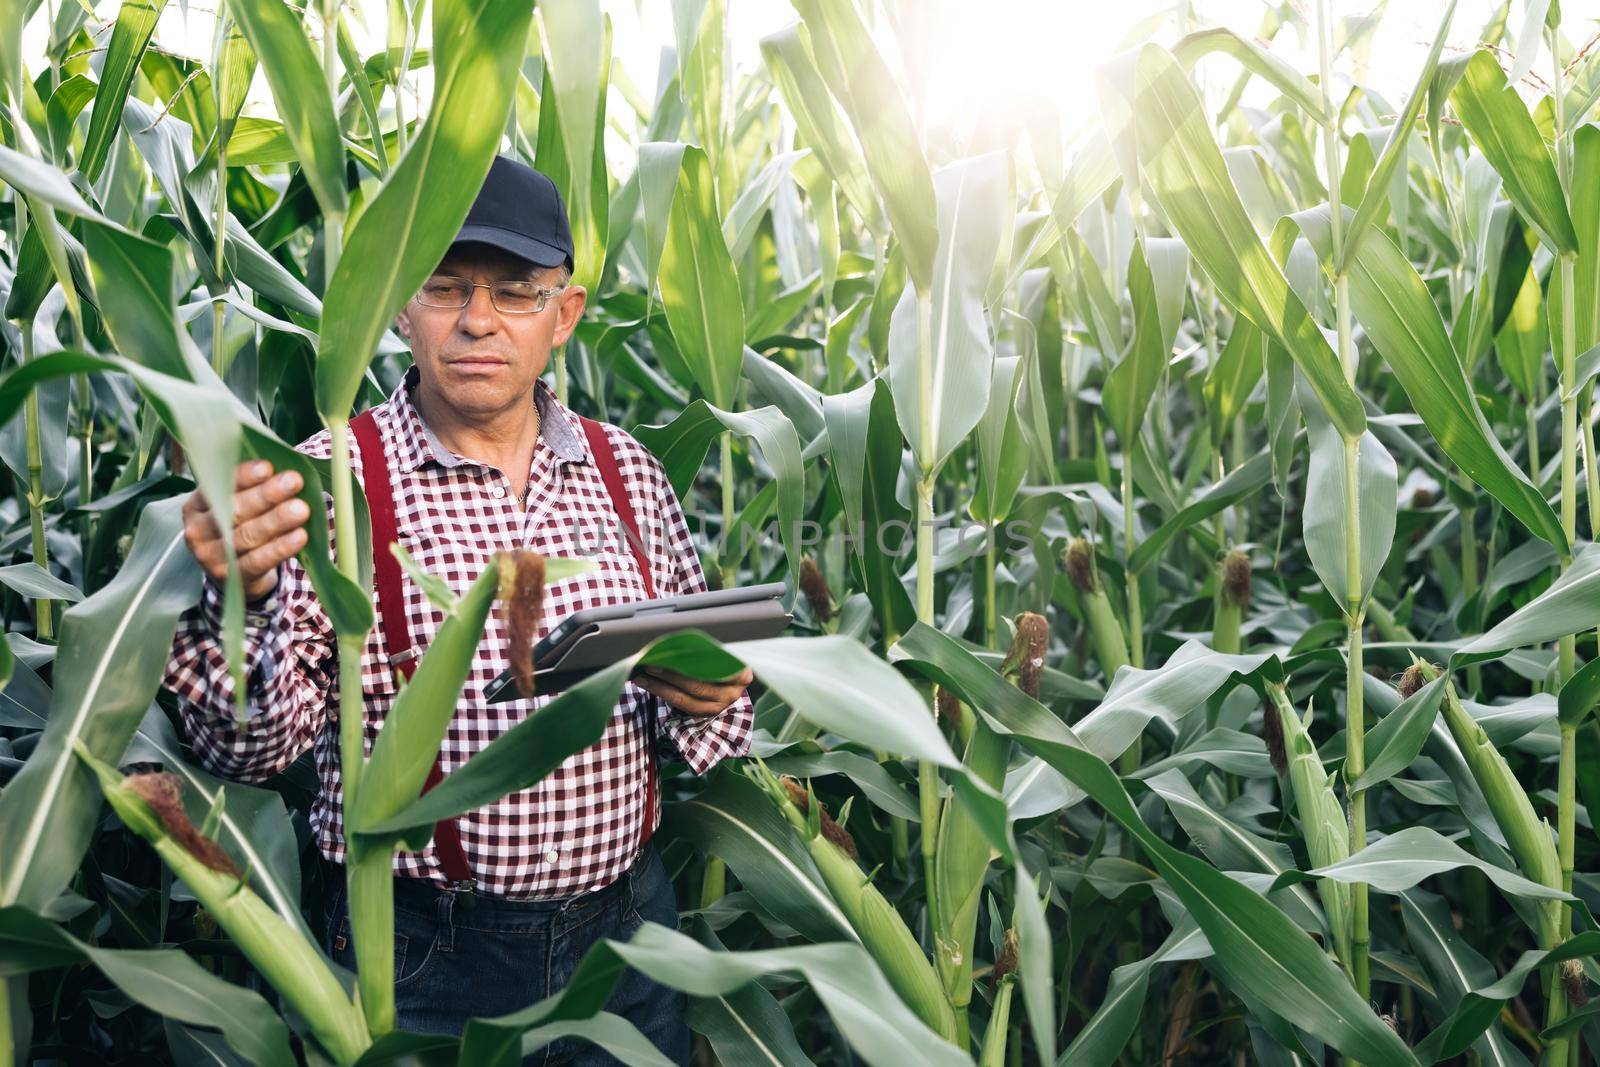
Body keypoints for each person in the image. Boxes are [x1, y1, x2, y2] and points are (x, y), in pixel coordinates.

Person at [162, 155, 754, 1065]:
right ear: (400, 306)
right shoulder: (332, 479)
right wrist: (238, 594)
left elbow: (716, 728)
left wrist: (709, 694)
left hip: (630, 942)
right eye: (447, 285)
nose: (479, 318)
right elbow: (250, 750)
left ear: (565, 315)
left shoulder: (627, 471)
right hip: (427, 960)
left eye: (515, 292)